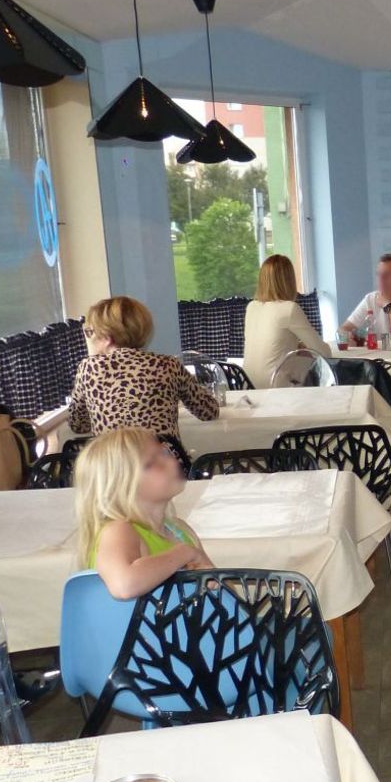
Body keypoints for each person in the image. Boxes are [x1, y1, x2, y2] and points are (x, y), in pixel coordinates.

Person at [74, 427, 213, 600]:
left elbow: (225, 593)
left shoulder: (180, 529)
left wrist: (211, 578)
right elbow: (123, 585)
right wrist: (184, 553)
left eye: (165, 452)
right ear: (122, 484)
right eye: (151, 463)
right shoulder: (119, 530)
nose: (172, 462)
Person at [68, 296, 219, 438]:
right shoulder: (168, 366)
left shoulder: (88, 368)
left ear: (107, 337)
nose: (88, 338)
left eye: (90, 332)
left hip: (113, 457)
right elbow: (209, 412)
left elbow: (78, 425)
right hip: (161, 456)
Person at [244, 254, 332, 388]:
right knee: (314, 370)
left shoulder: (251, 307)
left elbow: (271, 344)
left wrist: (298, 346)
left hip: (248, 386)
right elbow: (323, 353)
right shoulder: (289, 309)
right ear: (288, 281)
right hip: (275, 387)